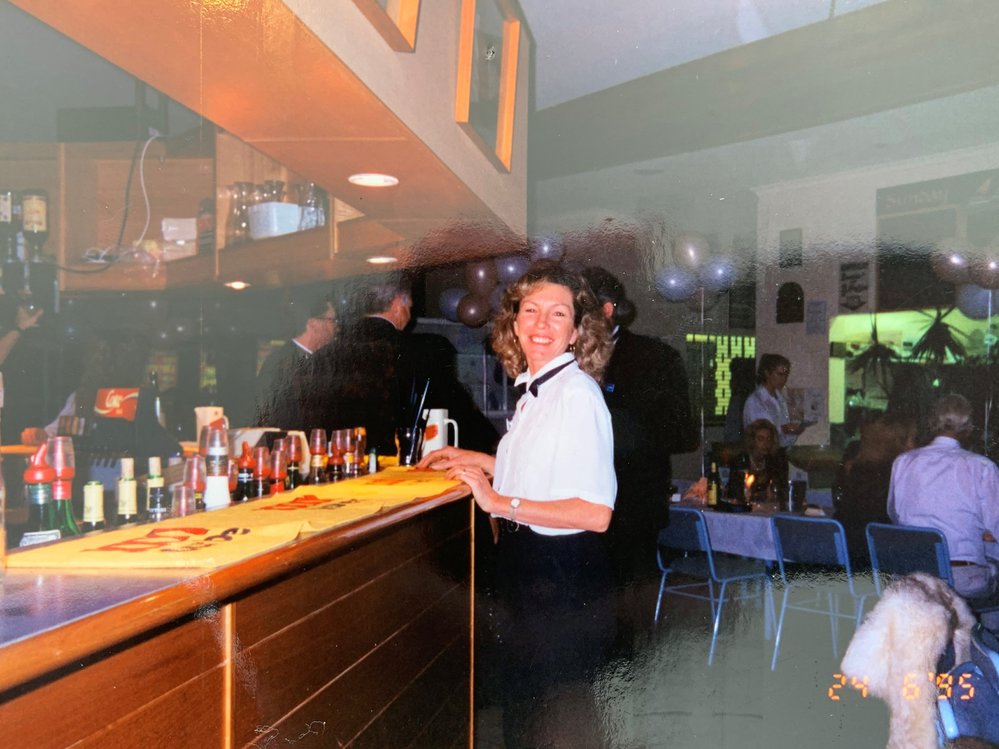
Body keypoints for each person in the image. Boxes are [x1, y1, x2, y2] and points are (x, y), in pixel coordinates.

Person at [417, 261, 615, 748]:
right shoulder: (537, 392)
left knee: (546, 720)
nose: (541, 325)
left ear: (576, 332)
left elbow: (595, 513)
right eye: (531, 311)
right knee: (525, 715)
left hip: (556, 575)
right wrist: (480, 460)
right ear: (513, 321)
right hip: (528, 568)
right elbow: (541, 473)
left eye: (558, 314)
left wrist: (496, 500)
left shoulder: (576, 395)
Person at [581, 266, 697, 585]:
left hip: (632, 503)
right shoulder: (565, 359)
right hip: (578, 505)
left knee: (629, 601)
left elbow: (681, 433)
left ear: (606, 310)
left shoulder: (654, 357)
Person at [888, 394, 999, 629]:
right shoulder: (982, 467)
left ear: (932, 423)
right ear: (968, 428)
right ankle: (989, 648)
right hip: (962, 580)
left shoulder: (903, 462)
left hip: (913, 576)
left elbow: (896, 516)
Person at [311, 273, 413, 454]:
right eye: (409, 307)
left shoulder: (321, 355)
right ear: (398, 305)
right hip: (391, 464)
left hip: (337, 461)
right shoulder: (419, 350)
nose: (410, 315)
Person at [834, 412, 916, 565]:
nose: (913, 446)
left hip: (846, 548)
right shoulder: (899, 469)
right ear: (893, 442)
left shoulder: (853, 463)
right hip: (878, 554)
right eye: (910, 440)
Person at [254, 293, 337, 430]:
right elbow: (266, 412)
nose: (336, 327)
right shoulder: (278, 362)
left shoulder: (324, 362)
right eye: (332, 320)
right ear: (313, 324)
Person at [743, 353, 805, 449]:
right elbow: (759, 433)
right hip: (762, 453)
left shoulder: (780, 398)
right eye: (780, 374)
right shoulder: (756, 401)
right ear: (767, 373)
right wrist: (784, 429)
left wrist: (795, 431)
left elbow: (784, 437)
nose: (784, 379)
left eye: (786, 375)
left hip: (780, 452)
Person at [727, 418, 788, 503]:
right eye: (761, 439)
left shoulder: (775, 461)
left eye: (768, 439)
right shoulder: (740, 461)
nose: (765, 444)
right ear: (752, 440)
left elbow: (781, 490)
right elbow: (735, 491)